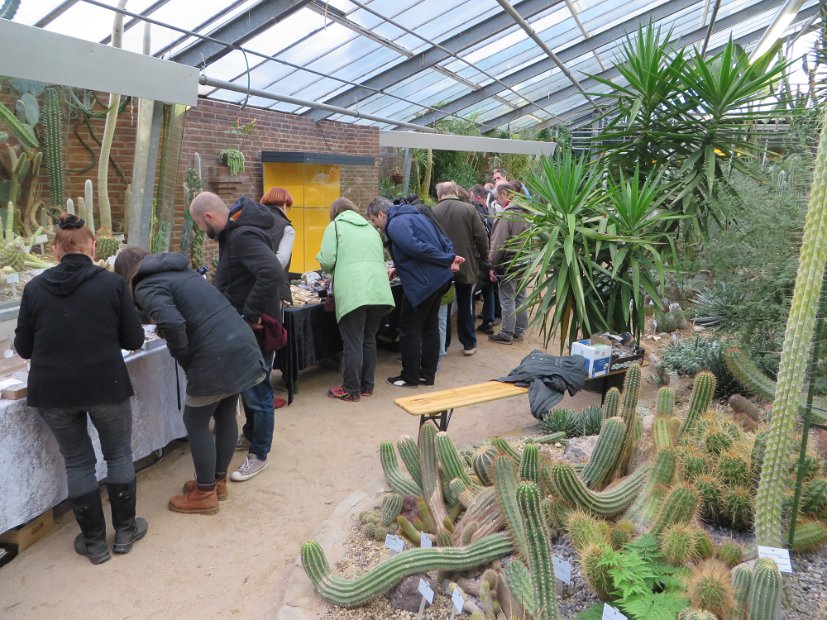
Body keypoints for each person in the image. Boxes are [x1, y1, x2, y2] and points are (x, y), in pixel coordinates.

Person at [14, 213, 147, 565]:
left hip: (53, 391)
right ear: (91, 246)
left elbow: (24, 348)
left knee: (78, 463)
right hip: (105, 382)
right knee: (118, 455)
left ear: (56, 249)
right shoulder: (112, 285)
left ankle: (94, 544)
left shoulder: (34, 288)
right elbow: (134, 338)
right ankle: (125, 532)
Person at [114, 248, 266, 514]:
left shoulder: (146, 284)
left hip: (213, 356)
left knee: (195, 421)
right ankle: (217, 482)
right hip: (238, 344)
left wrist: (182, 352)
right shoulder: (180, 272)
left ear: (126, 274)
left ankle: (204, 494)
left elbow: (171, 322)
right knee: (226, 413)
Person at [189, 191, 282, 482]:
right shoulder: (234, 234)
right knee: (250, 387)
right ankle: (252, 436)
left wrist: (250, 315)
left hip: (256, 326)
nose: (205, 234)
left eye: (202, 227)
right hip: (247, 326)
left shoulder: (241, 236)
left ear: (209, 217)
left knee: (258, 391)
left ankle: (259, 454)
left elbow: (271, 271)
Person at [367, 197, 463, 387]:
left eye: (373, 220)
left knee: (409, 328)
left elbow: (416, 249)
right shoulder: (417, 214)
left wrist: (447, 259)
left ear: (381, 214)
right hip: (439, 280)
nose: (375, 225)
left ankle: (409, 376)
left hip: (423, 284)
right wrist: (398, 266)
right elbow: (442, 239)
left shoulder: (395, 224)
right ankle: (427, 375)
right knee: (430, 326)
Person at [316, 198, 395, 402]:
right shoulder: (371, 229)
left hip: (353, 291)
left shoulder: (335, 227)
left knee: (353, 342)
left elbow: (326, 261)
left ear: (334, 213)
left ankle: (351, 389)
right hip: (378, 290)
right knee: (369, 340)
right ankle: (367, 386)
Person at [433, 182, 489, 356]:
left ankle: (445, 343)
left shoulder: (433, 211)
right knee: (466, 304)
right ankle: (468, 343)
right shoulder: (469, 209)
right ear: (456, 192)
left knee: (445, 306)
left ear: (440, 194)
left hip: (442, 265)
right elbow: (481, 237)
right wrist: (485, 257)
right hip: (466, 264)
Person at [489, 183, 530, 344]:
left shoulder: (507, 215)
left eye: (498, 197)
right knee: (520, 297)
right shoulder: (526, 213)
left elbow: (498, 244)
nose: (497, 201)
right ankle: (519, 331)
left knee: (507, 299)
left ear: (505, 194)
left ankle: (507, 333)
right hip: (525, 261)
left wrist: (492, 265)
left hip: (509, 263)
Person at [260, 186, 294, 306]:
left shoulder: (253, 219)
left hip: (247, 288)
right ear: (284, 204)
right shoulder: (286, 228)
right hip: (274, 290)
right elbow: (281, 261)